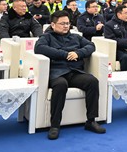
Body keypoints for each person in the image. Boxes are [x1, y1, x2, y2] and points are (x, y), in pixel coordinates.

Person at [34, 11, 105, 139]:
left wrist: (78, 53)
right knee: (61, 85)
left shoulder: (76, 37)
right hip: (57, 73)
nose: (66, 26)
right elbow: (39, 48)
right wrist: (64, 54)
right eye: (62, 24)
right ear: (53, 25)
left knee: (92, 81)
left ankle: (91, 120)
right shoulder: (47, 37)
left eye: (67, 23)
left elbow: (91, 46)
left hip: (74, 71)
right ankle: (55, 125)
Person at [104, 4, 127, 71]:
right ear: (119, 14)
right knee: (125, 57)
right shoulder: (109, 25)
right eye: (126, 13)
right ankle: (125, 75)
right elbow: (112, 40)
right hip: (117, 49)